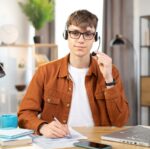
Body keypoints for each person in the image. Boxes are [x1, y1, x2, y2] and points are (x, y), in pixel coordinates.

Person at [18, 9, 129, 138]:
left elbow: (120, 121)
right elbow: (24, 114)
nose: (81, 40)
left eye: (88, 34)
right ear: (66, 35)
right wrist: (42, 127)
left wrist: (109, 79)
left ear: (95, 38)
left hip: (97, 142)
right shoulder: (45, 72)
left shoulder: (111, 71)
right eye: (75, 33)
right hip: (58, 143)